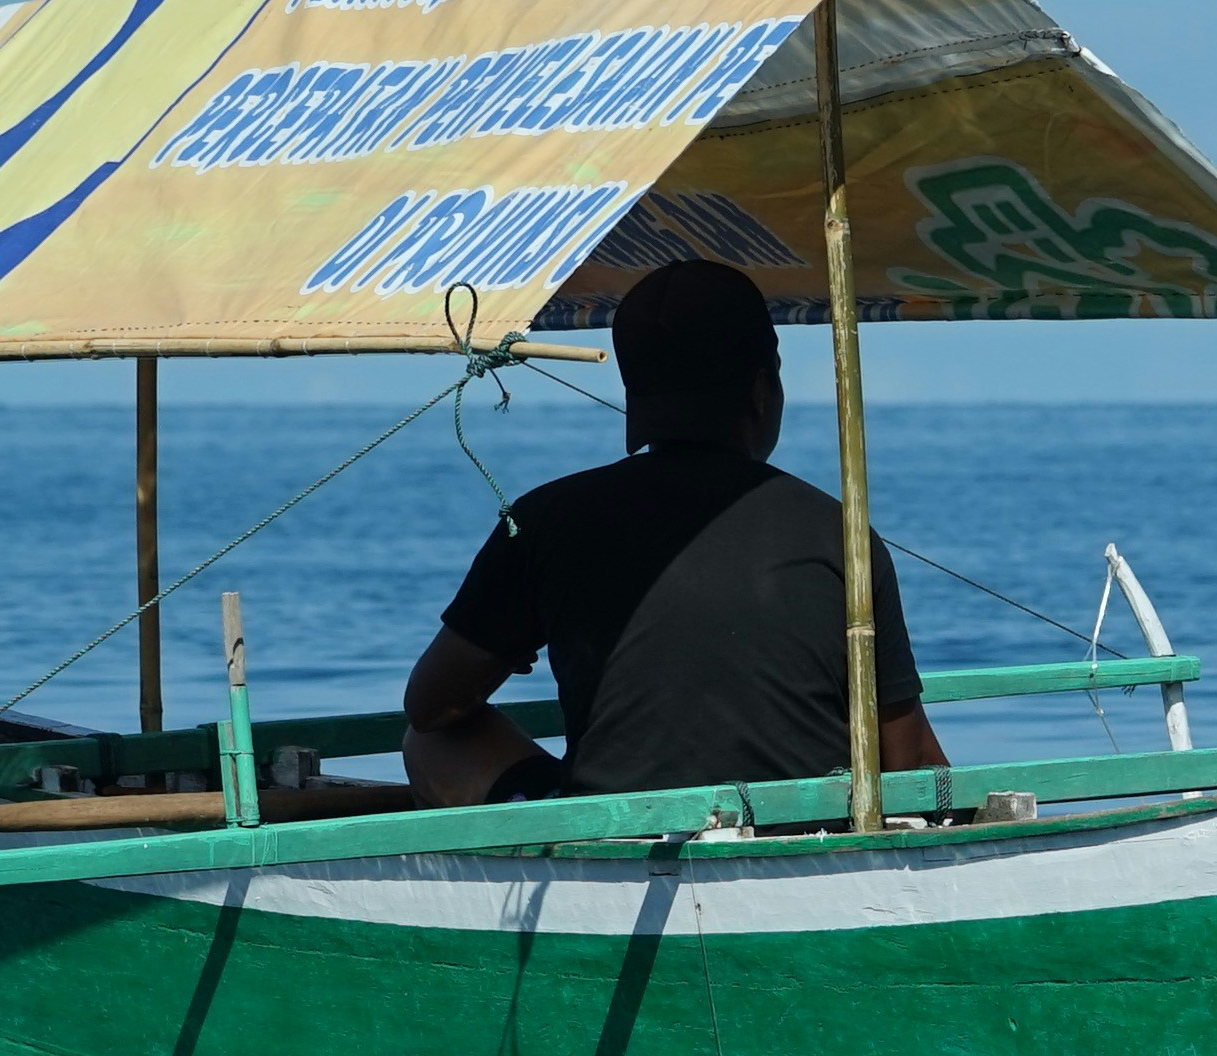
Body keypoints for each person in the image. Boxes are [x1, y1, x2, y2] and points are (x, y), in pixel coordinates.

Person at [402, 261, 944, 814]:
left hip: (615, 833)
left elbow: (430, 707)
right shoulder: (841, 532)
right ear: (762, 388)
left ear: (633, 394)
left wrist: (508, 642)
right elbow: (907, 756)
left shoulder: (544, 519)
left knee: (430, 743)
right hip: (803, 837)